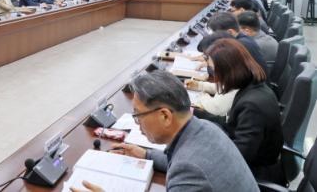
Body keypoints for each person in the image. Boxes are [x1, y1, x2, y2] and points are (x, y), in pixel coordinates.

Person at [71, 70, 259, 192]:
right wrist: (146, 154)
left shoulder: (189, 171)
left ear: (165, 116)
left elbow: (187, 165)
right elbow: (180, 157)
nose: (137, 123)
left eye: (138, 115)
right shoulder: (205, 128)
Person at [197, 38, 283, 182]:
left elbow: (240, 154)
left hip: (253, 175)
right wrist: (197, 114)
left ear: (227, 70)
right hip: (252, 165)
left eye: (215, 70)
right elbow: (233, 124)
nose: (215, 75)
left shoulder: (252, 104)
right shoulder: (252, 87)